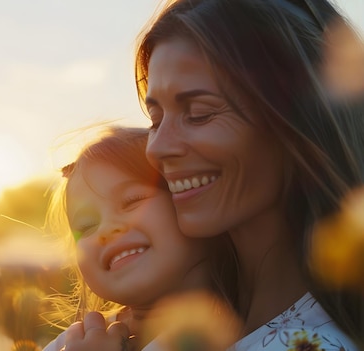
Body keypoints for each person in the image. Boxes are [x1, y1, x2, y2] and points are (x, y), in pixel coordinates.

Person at [133, 0, 364, 350]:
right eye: (156, 120)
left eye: (199, 113)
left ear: (300, 122)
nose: (157, 148)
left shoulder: (315, 343)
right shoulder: (172, 321)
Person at [41, 126, 238, 351]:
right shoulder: (74, 340)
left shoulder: (229, 335)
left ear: (190, 200)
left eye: (132, 200)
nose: (106, 230)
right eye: (87, 226)